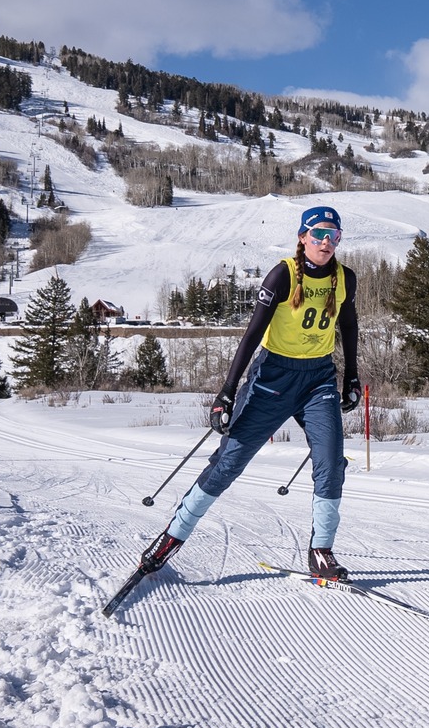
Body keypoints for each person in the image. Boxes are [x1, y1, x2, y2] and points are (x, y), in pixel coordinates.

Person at [121, 205, 363, 589]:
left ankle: (321, 551)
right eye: (319, 234)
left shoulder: (344, 277)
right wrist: (226, 391)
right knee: (230, 461)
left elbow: (348, 325)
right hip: (273, 378)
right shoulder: (282, 274)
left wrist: (351, 375)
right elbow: (251, 335)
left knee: (332, 461)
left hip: (318, 379)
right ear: (302, 236)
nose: (327, 242)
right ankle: (172, 537)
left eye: (334, 236)